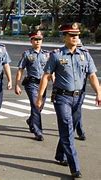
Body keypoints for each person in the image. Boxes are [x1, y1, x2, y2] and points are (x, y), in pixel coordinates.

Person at [36, 22, 101, 178]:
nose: (75, 38)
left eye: (77, 35)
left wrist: (99, 93)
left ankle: (60, 154)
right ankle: (74, 166)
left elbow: (92, 76)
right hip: (62, 98)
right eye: (71, 35)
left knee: (69, 130)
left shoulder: (85, 54)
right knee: (67, 128)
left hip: (79, 98)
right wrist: (40, 97)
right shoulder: (57, 55)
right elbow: (46, 76)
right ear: (64, 37)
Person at [15, 30, 50, 141]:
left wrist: (55, 82)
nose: (38, 41)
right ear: (31, 41)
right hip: (31, 84)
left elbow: (50, 71)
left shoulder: (47, 54)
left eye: (39, 39)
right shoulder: (27, 54)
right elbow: (20, 69)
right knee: (36, 105)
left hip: (43, 84)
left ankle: (31, 120)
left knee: (40, 107)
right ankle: (38, 131)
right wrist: (17, 84)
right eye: (35, 39)